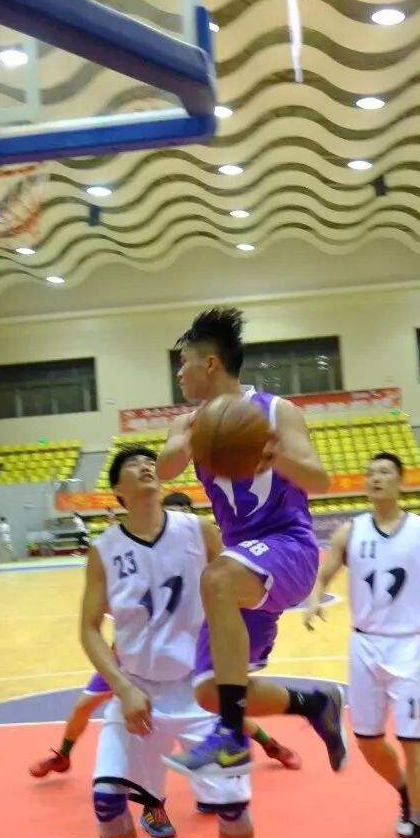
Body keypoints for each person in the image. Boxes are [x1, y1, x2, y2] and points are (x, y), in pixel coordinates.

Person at [29, 490, 301, 837]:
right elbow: (109, 610)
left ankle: (267, 746)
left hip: (186, 660)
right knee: (89, 709)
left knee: (215, 708)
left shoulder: (203, 554)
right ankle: (69, 757)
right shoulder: (129, 554)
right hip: (132, 661)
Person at [157, 307, 347, 778]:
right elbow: (164, 470)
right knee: (210, 688)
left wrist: (278, 456)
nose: (179, 373)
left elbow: (319, 480)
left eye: (183, 363)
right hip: (243, 564)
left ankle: (232, 739)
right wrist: (191, 441)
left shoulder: (277, 411)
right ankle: (315, 703)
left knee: (216, 578)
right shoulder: (187, 424)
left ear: (210, 364)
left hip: (289, 547)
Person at [80, 445, 256, 838]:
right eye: (132, 465)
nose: (145, 467)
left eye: (149, 463)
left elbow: (238, 596)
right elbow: (88, 629)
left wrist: (238, 668)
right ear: (117, 491)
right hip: (136, 692)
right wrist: (121, 687)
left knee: (233, 808)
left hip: (199, 690)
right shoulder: (103, 550)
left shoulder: (199, 531)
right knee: (107, 802)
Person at [303, 452, 420, 838]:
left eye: (385, 473)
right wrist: (316, 597)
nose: (375, 478)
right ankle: (405, 792)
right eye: (370, 473)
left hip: (409, 646)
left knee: (413, 741)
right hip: (364, 646)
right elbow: (325, 574)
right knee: (368, 742)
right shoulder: (349, 531)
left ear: (401, 481)